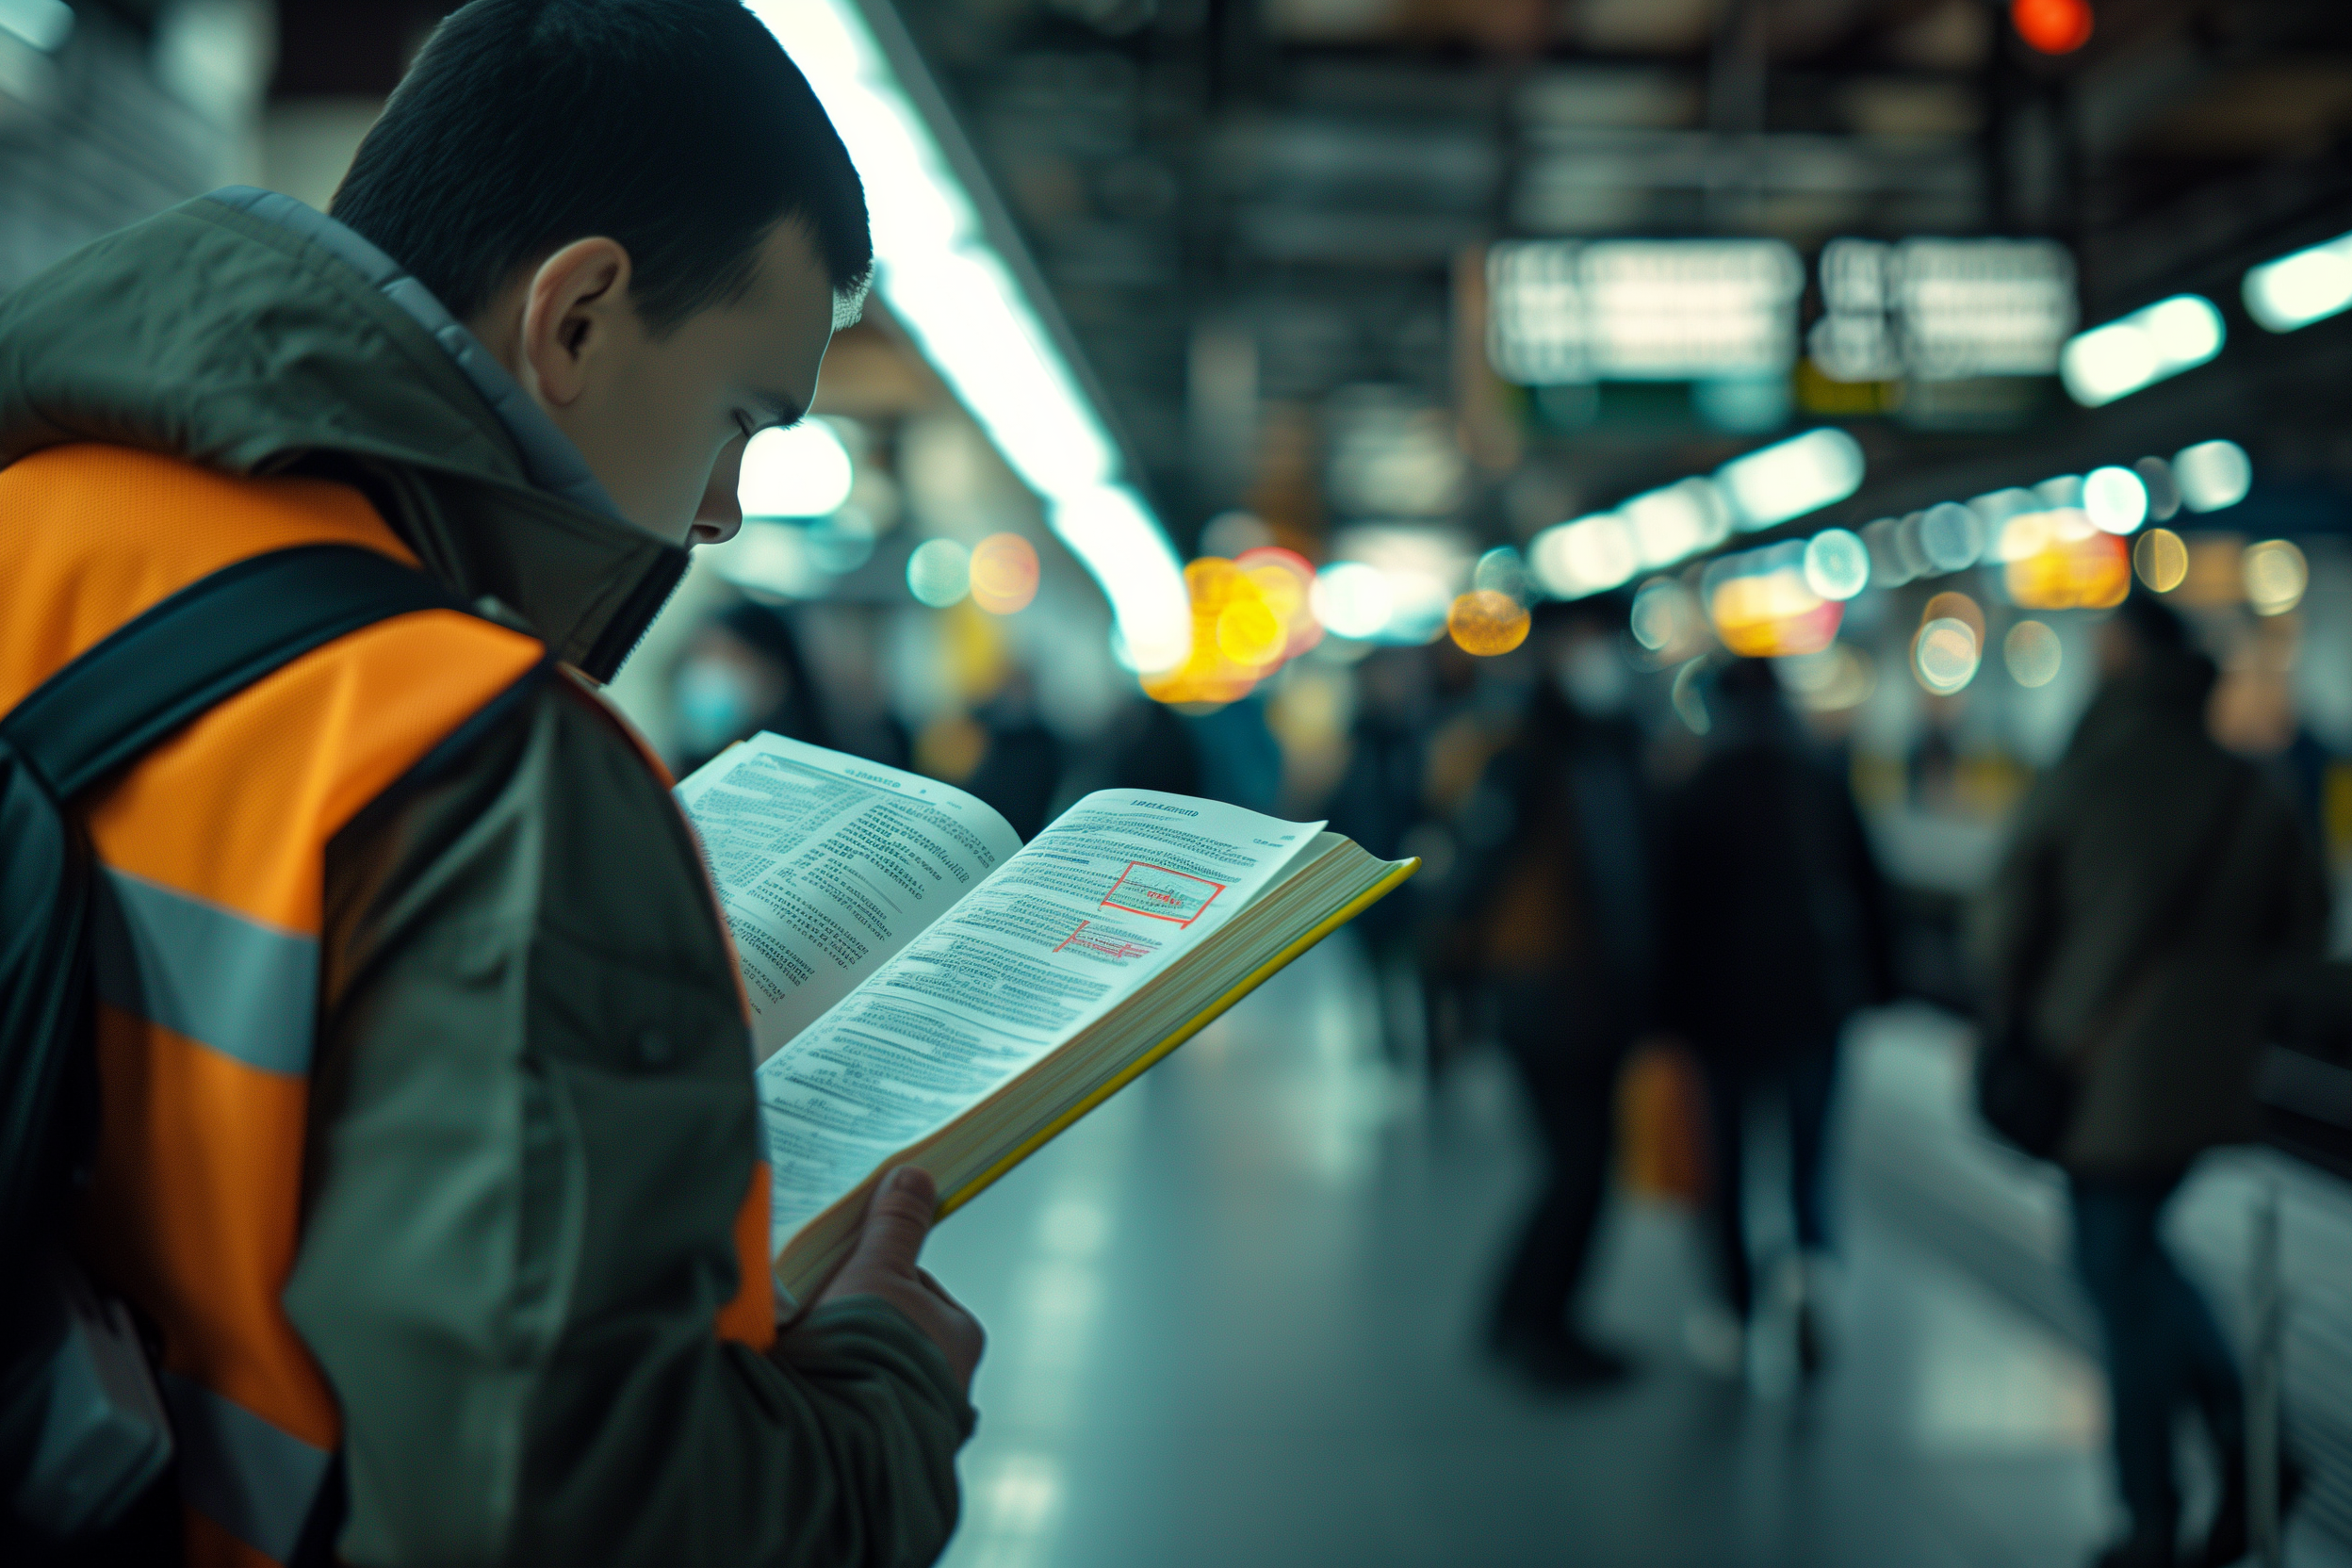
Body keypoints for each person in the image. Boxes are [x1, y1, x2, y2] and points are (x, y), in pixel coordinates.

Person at [0, 4, 983, 1564]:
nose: (723, 512)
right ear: (577, 316)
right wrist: (885, 1396)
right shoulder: (481, 764)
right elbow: (572, 1512)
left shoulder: (36, 522)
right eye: (741, 419)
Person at [1976, 594, 2328, 1568]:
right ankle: (2241, 1450)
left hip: (2098, 1073)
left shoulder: (2088, 771)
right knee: (2126, 1257)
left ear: (2124, 661)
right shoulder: (2247, 784)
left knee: (2115, 1268)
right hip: (2210, 1073)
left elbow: (2000, 926)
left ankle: (2159, 1508)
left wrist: (2032, 1004)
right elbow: (2306, 920)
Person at [1658, 657, 1894, 1380]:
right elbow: (1870, 892)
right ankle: (1809, 1280)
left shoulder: (1695, 788)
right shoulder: (1820, 778)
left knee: (1726, 1169)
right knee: (1809, 1161)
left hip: (1719, 1015)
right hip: (1813, 1005)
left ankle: (1731, 1311)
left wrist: (1663, 1016)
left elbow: (1668, 915)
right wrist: (1875, 989)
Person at [1446, 600, 1657, 1390]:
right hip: (1545, 996)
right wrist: (1460, 989)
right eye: (1589, 644)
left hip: (1600, 996)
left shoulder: (1615, 749)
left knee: (1582, 1168)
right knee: (1577, 1168)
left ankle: (1526, 1317)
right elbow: (1477, 876)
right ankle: (1536, 1325)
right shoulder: (1526, 757)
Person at [672, 599, 834, 775]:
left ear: (776, 676)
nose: (708, 675)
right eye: (702, 654)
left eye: (734, 657)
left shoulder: (821, 767)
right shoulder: (672, 774)